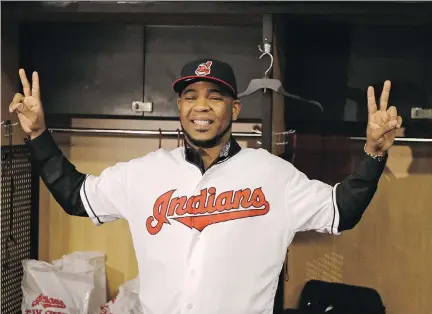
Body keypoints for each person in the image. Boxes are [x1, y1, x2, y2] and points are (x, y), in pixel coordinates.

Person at [10, 59, 402, 314]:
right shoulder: (144, 173)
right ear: (179, 107)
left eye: (215, 97)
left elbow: (341, 210)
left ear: (234, 109)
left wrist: (373, 152)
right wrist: (39, 134)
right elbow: (75, 195)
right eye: (190, 97)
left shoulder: (272, 174)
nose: (201, 106)